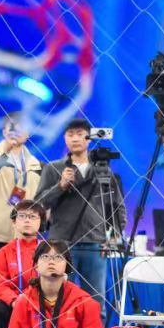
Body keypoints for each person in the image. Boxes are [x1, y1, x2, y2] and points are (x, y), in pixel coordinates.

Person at [35, 118, 125, 315]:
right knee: (57, 300)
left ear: (89, 138)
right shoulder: (53, 168)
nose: (75, 138)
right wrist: (60, 186)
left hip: (95, 245)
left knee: (95, 302)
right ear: (64, 138)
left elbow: (118, 206)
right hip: (61, 245)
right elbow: (39, 204)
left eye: (79, 134)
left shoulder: (103, 170)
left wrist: (114, 237)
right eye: (70, 134)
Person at [0, 114, 41, 300]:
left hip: (23, 238)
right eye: (12, 128)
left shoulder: (35, 164)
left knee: (23, 291)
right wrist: (5, 151)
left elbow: (38, 201)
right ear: (4, 131)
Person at [0, 200, 44, 328]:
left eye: (32, 217)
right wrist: (14, 300)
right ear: (14, 222)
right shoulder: (2, 253)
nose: (27, 220)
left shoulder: (50, 251)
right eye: (22, 216)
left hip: (44, 303)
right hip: (14, 303)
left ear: (41, 222)